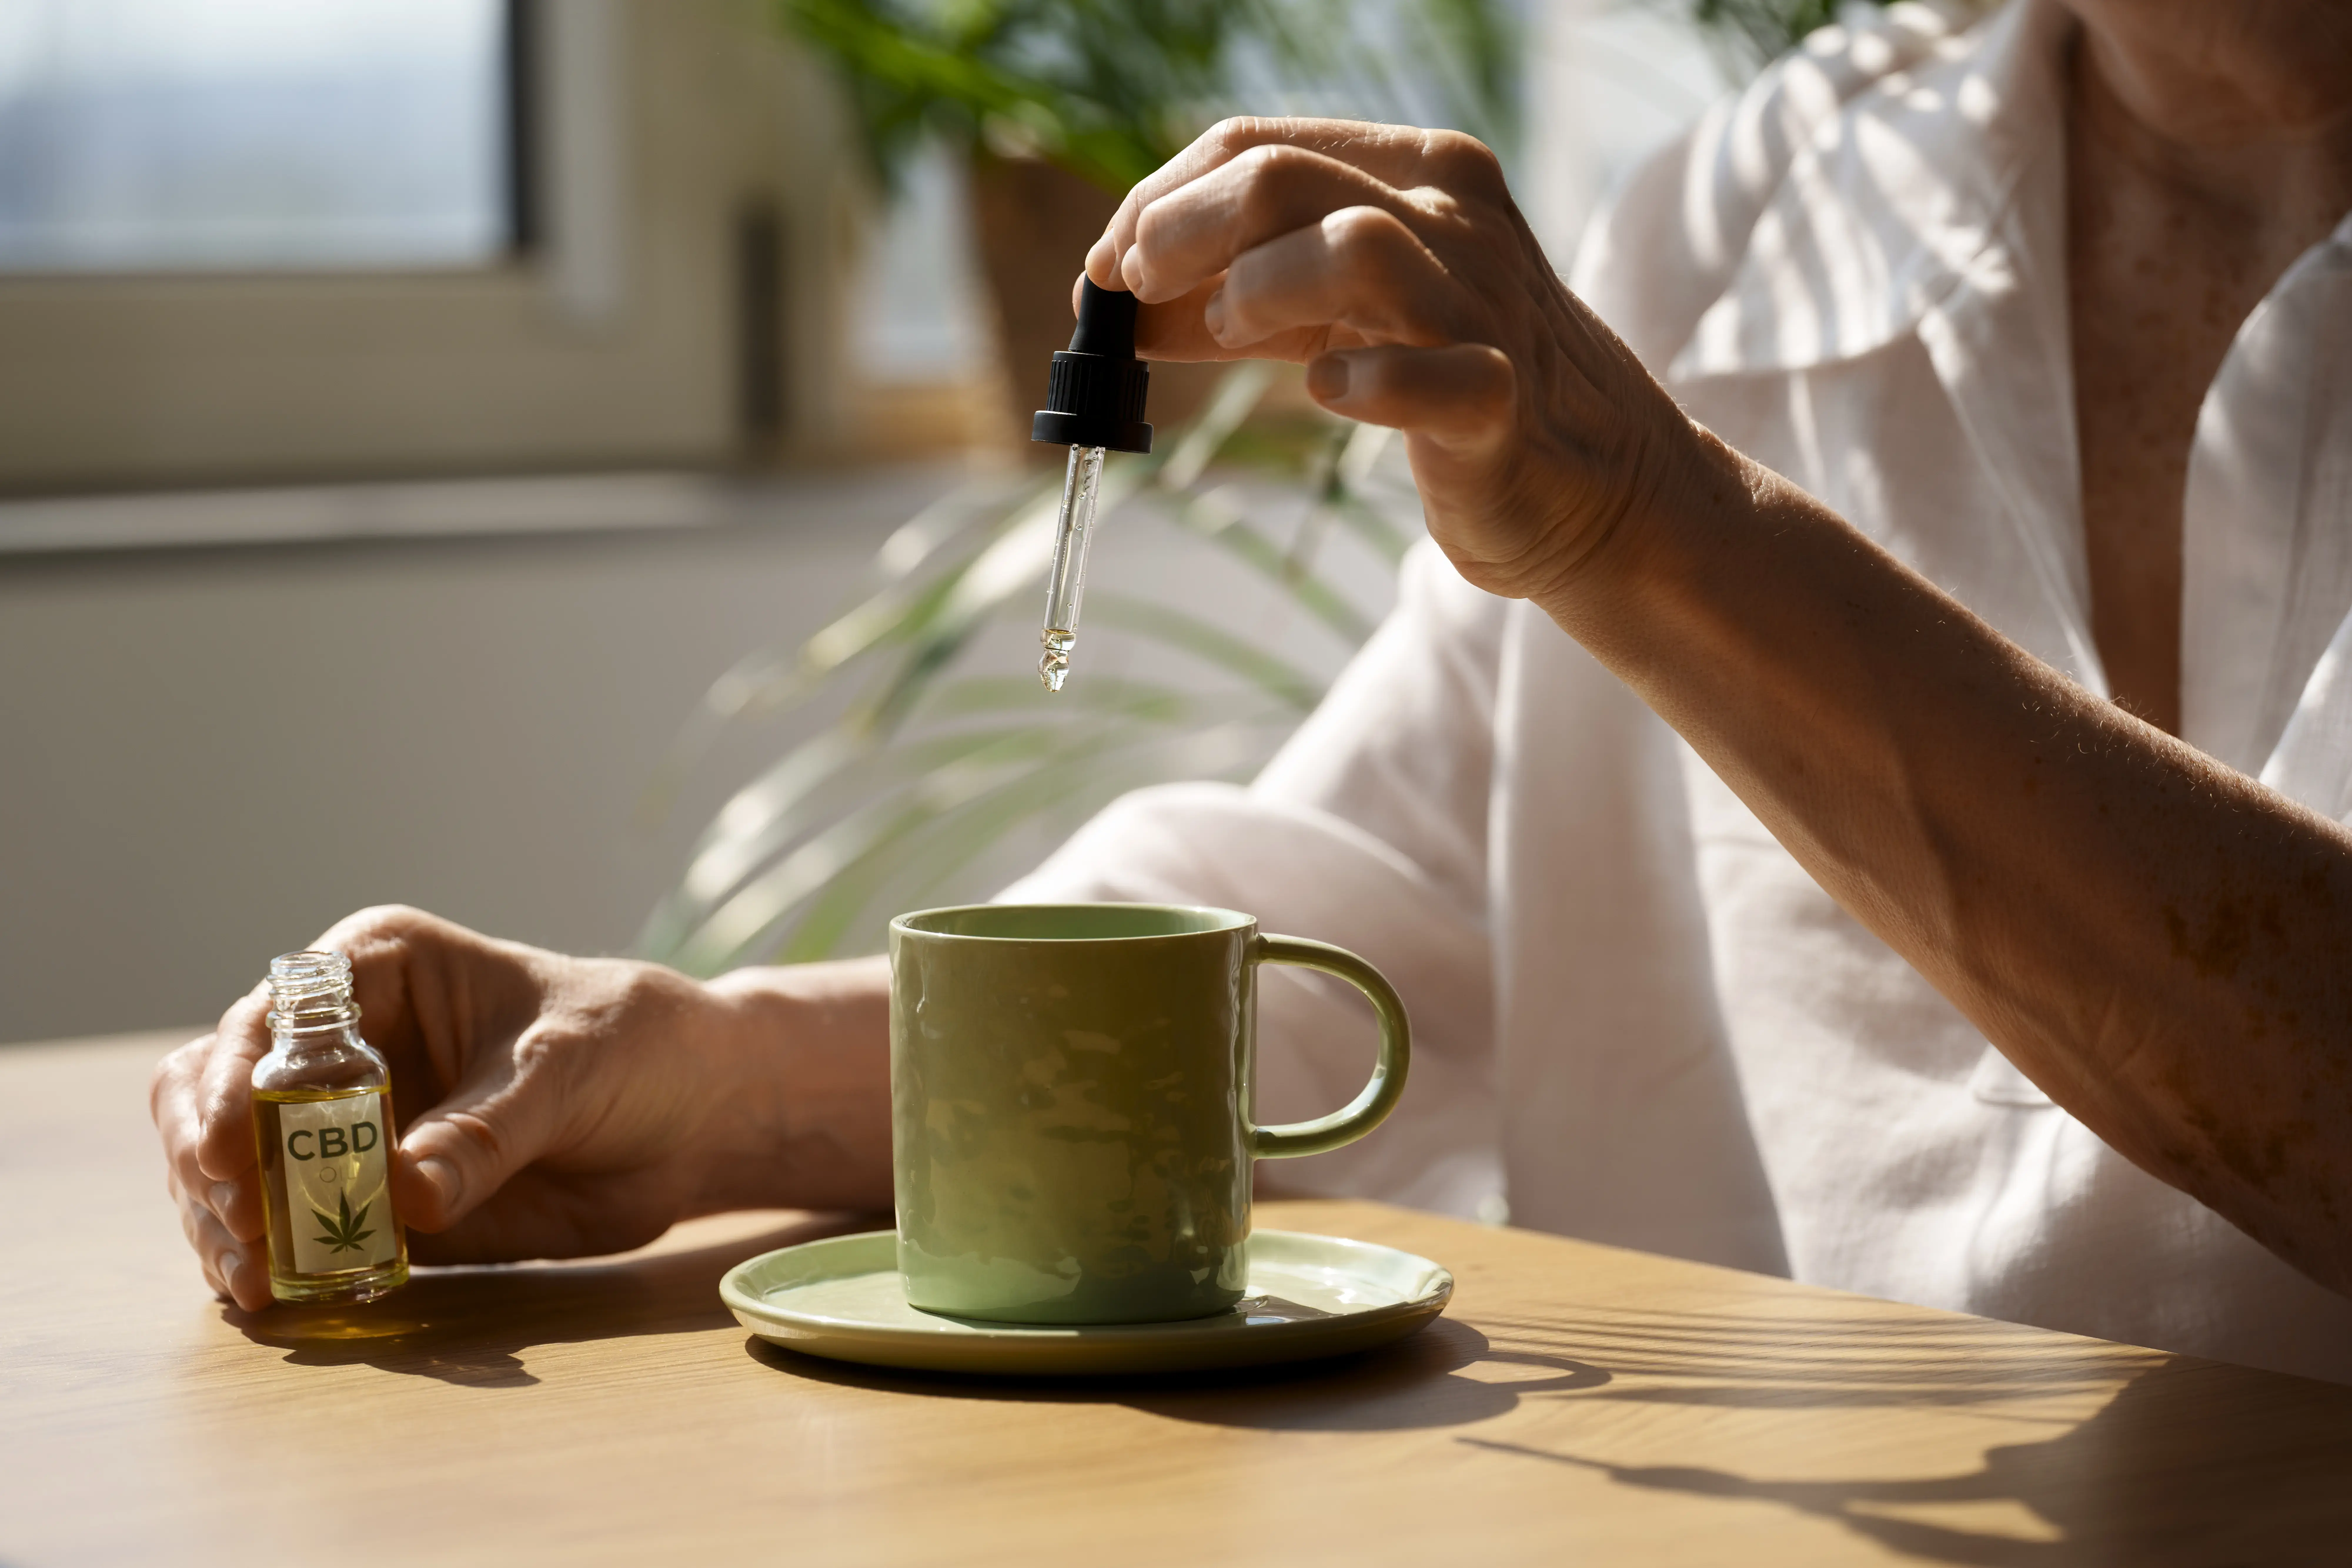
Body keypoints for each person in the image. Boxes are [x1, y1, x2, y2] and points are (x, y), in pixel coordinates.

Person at [153, 0, 2352, 1382]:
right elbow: (1344, 931)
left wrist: (1656, 525)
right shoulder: (1770, 203)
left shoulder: (1674, 365)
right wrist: (697, 1076)